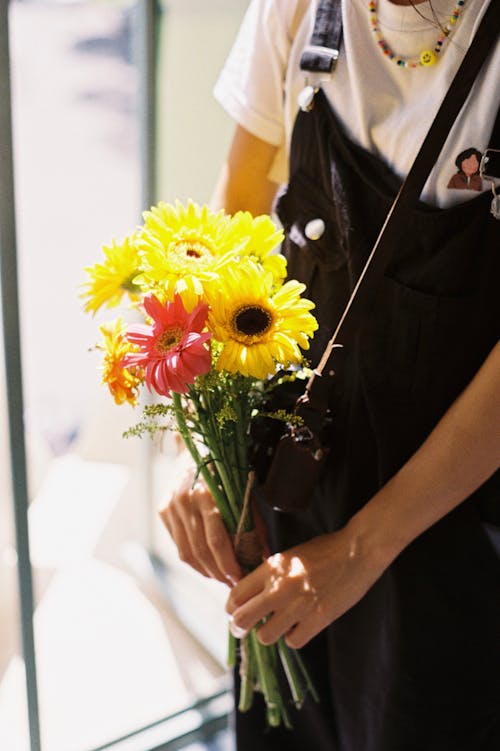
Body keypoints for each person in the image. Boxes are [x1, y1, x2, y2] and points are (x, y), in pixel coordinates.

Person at [159, 1, 500, 749]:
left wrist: (361, 549)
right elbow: (241, 204)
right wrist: (202, 451)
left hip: (448, 520)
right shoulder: (300, 9)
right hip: (289, 487)